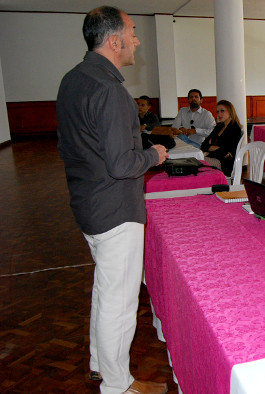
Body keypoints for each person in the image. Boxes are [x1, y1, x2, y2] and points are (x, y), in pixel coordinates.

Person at [56, 6, 168, 394]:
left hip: (88, 204)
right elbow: (123, 164)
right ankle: (118, 385)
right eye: (133, 32)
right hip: (115, 211)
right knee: (119, 305)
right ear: (114, 40)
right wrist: (155, 155)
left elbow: (70, 147)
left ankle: (97, 364)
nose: (137, 40)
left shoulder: (73, 80)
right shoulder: (111, 90)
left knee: (106, 291)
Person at [200, 100, 243, 177]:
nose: (219, 114)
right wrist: (217, 149)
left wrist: (212, 149)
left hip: (224, 164)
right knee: (195, 161)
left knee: (197, 162)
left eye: (222, 111)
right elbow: (203, 145)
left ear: (230, 111)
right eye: (217, 112)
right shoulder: (219, 126)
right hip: (214, 158)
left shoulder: (235, 129)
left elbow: (230, 151)